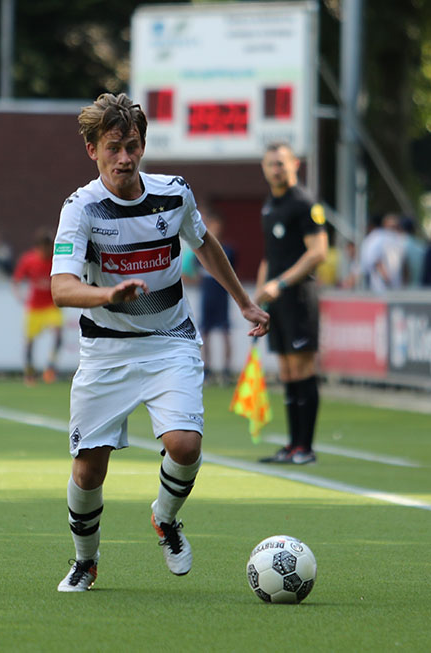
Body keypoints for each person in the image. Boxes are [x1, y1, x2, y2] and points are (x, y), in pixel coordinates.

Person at [51, 93, 268, 592]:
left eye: (132, 145)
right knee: (88, 471)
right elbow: (61, 287)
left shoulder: (174, 193)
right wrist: (108, 292)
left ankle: (165, 519)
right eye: (113, 148)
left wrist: (244, 302)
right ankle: (86, 561)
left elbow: (204, 244)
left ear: (143, 144)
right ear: (92, 150)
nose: (124, 157)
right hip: (106, 347)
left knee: (185, 445)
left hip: (169, 339)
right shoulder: (80, 209)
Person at [254, 142, 328, 465]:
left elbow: (318, 252)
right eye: (271, 164)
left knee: (302, 366)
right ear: (264, 167)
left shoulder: (305, 203)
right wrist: (256, 298)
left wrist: (281, 283)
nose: (276, 169)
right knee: (285, 369)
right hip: (276, 301)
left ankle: (305, 448)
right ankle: (292, 445)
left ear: (295, 164)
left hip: (298, 297)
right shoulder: (270, 206)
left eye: (282, 163)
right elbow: (270, 256)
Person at [12, 228, 63, 385]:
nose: (47, 251)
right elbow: (17, 279)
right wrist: (18, 294)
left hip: (51, 306)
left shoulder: (56, 259)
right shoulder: (29, 259)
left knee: (58, 334)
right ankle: (29, 372)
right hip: (34, 307)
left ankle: (50, 367)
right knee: (29, 341)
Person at [195, 212, 235, 384]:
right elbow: (196, 272)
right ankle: (208, 369)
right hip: (207, 295)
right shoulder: (200, 249)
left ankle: (226, 370)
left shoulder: (228, 250)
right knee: (206, 333)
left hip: (222, 296)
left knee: (225, 332)